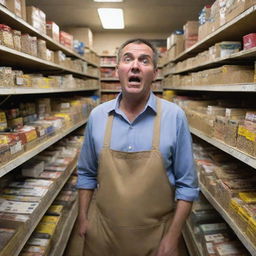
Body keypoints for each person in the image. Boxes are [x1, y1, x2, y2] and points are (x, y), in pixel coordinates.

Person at [77, 38, 199, 256]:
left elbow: (187, 186)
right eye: (127, 59)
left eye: (144, 60)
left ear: (154, 72)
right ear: (117, 70)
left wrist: (173, 236)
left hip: (157, 238)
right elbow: (86, 173)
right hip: (102, 236)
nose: (135, 66)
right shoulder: (97, 116)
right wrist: (84, 219)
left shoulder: (175, 116)